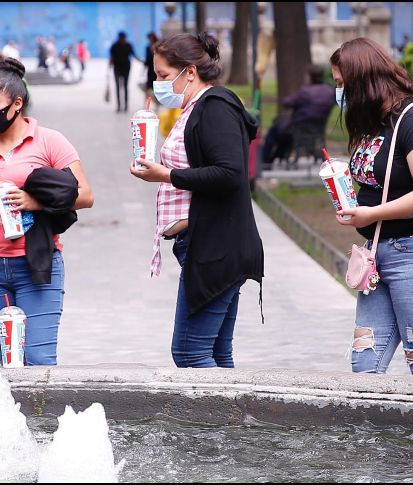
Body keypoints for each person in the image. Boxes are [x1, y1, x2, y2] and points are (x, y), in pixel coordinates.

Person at [330, 38, 413, 377]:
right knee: (365, 363)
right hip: (379, 255)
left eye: (341, 84)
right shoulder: (375, 123)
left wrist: (371, 213)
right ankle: (371, 433)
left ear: (362, 81)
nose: (339, 93)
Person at [0, 57, 94, 366]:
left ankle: (41, 416)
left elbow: (85, 195)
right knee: (11, 361)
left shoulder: (50, 141)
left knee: (38, 360)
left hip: (37, 267)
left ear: (16, 103)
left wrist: (35, 202)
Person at [130, 33, 263, 368]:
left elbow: (230, 173)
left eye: (162, 75)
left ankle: (218, 423)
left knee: (190, 352)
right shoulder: (194, 109)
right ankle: (232, 421)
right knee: (215, 352)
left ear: (189, 72)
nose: (157, 83)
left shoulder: (214, 107)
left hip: (215, 246)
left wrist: (167, 175)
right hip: (206, 244)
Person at [265, 64, 335, 166]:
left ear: (310, 77)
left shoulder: (305, 92)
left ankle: (265, 162)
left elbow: (287, 102)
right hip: (318, 128)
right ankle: (275, 158)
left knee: (275, 131)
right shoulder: (329, 91)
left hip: (298, 128)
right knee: (283, 130)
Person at [109, 32, 142, 112]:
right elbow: (112, 57)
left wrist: (141, 61)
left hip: (126, 68)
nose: (122, 40)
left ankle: (126, 106)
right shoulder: (114, 46)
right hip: (117, 68)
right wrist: (109, 65)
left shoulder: (128, 45)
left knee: (125, 87)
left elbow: (134, 55)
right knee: (118, 88)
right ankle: (119, 106)